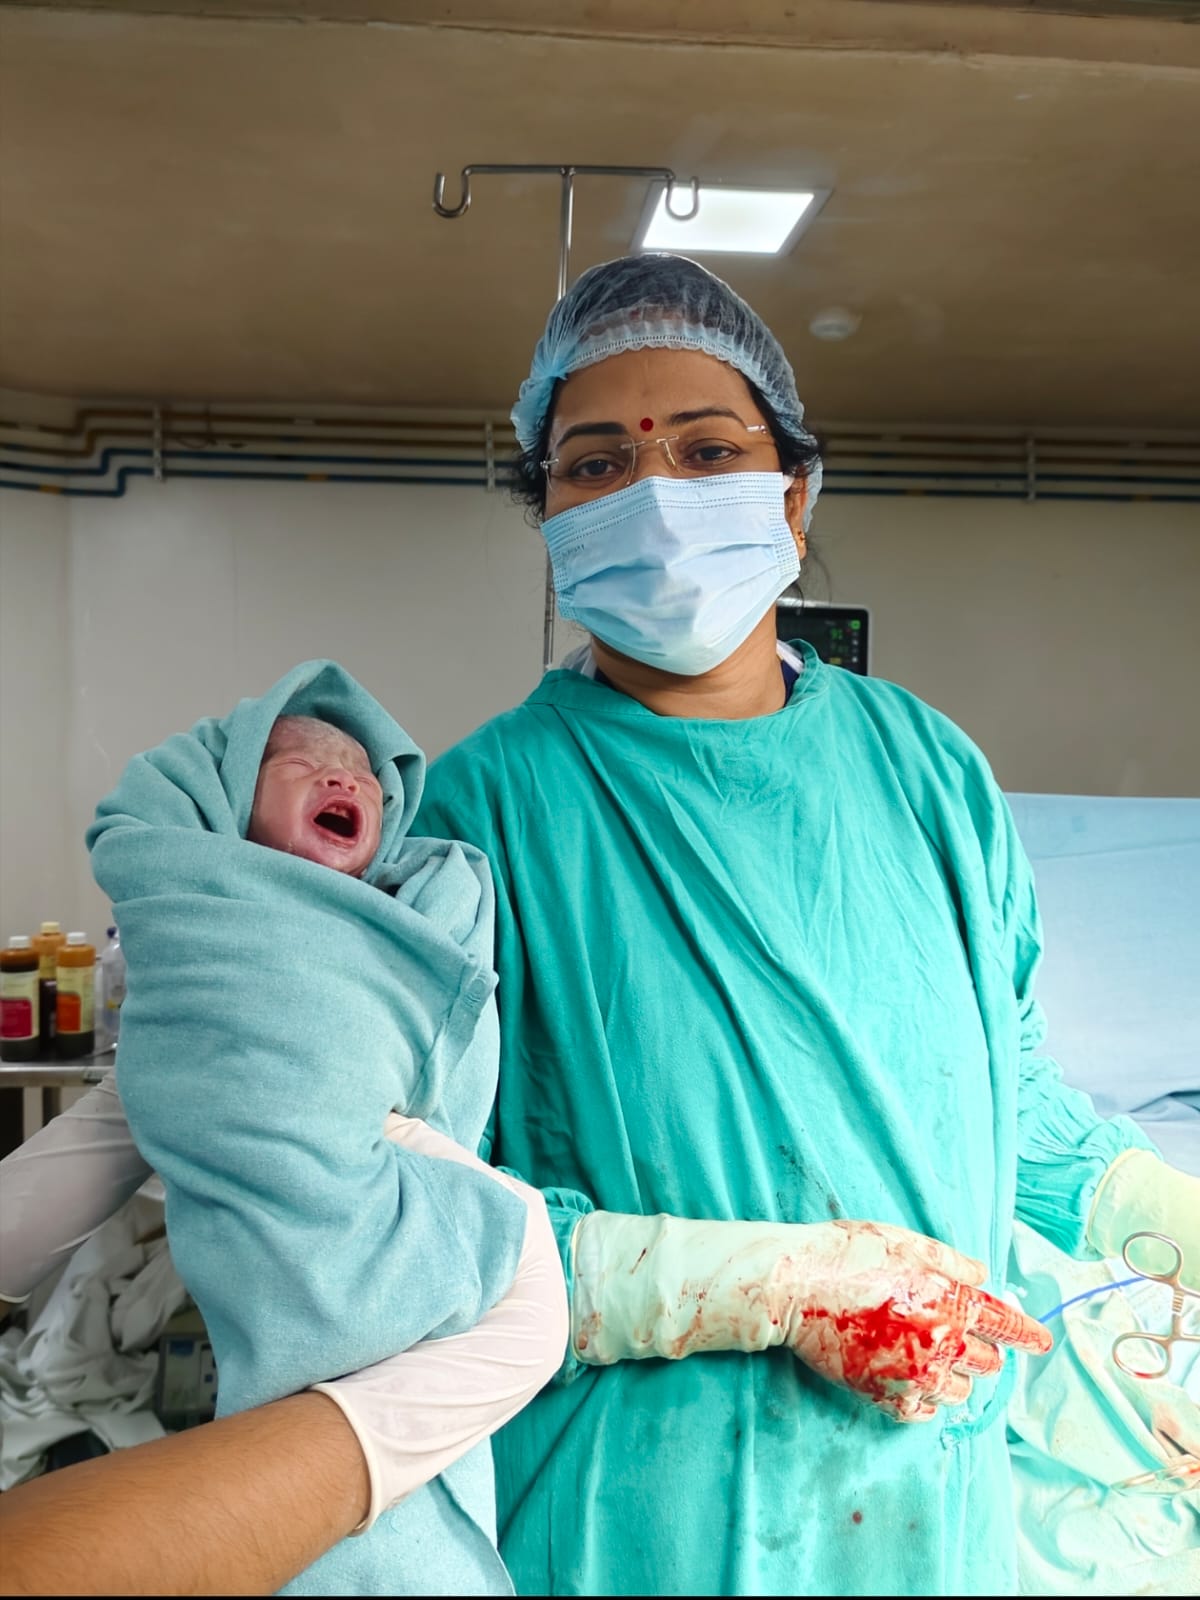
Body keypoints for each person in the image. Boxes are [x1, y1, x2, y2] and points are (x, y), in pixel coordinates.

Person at [2, 254, 1197, 1597]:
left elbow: (1007, 1099)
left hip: (932, 1502)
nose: (655, 495)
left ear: (793, 497)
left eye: (708, 450)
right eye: (597, 465)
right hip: (642, 1510)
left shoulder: (932, 771)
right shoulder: (479, 817)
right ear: (551, 518)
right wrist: (762, 1285)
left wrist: (1164, 1215)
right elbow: (413, 1225)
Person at [12, 662, 568, 1597]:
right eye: (301, 760)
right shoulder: (213, 918)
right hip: (305, 1279)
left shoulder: (419, 904)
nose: (343, 776)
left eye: (365, 775)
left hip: (393, 1213)